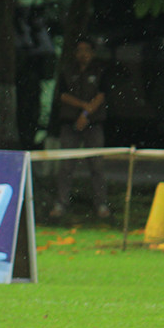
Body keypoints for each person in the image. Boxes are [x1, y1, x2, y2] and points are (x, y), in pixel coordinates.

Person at [51, 36, 110, 219]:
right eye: (79, 50)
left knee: (97, 166)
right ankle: (61, 204)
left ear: (92, 53)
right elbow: (62, 95)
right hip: (70, 123)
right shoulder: (67, 71)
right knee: (66, 166)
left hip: (93, 124)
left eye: (86, 50)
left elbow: (101, 96)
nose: (83, 54)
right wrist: (82, 107)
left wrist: (86, 114)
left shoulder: (100, 71)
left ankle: (101, 204)